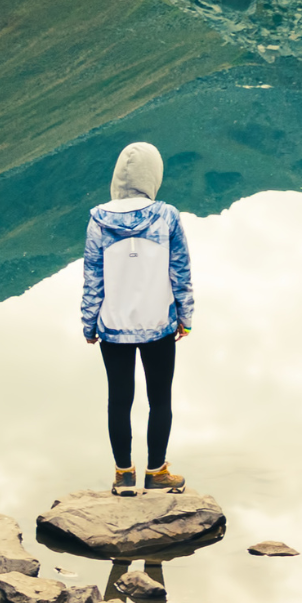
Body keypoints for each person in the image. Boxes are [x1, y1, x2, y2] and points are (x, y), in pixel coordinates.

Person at [81, 140, 195, 493]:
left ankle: (124, 476)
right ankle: (157, 473)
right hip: (158, 324)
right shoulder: (167, 216)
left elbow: (92, 277)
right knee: (160, 399)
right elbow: (181, 272)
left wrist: (88, 323)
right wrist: (186, 317)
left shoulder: (98, 218)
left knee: (119, 399)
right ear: (153, 176)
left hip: (112, 327)